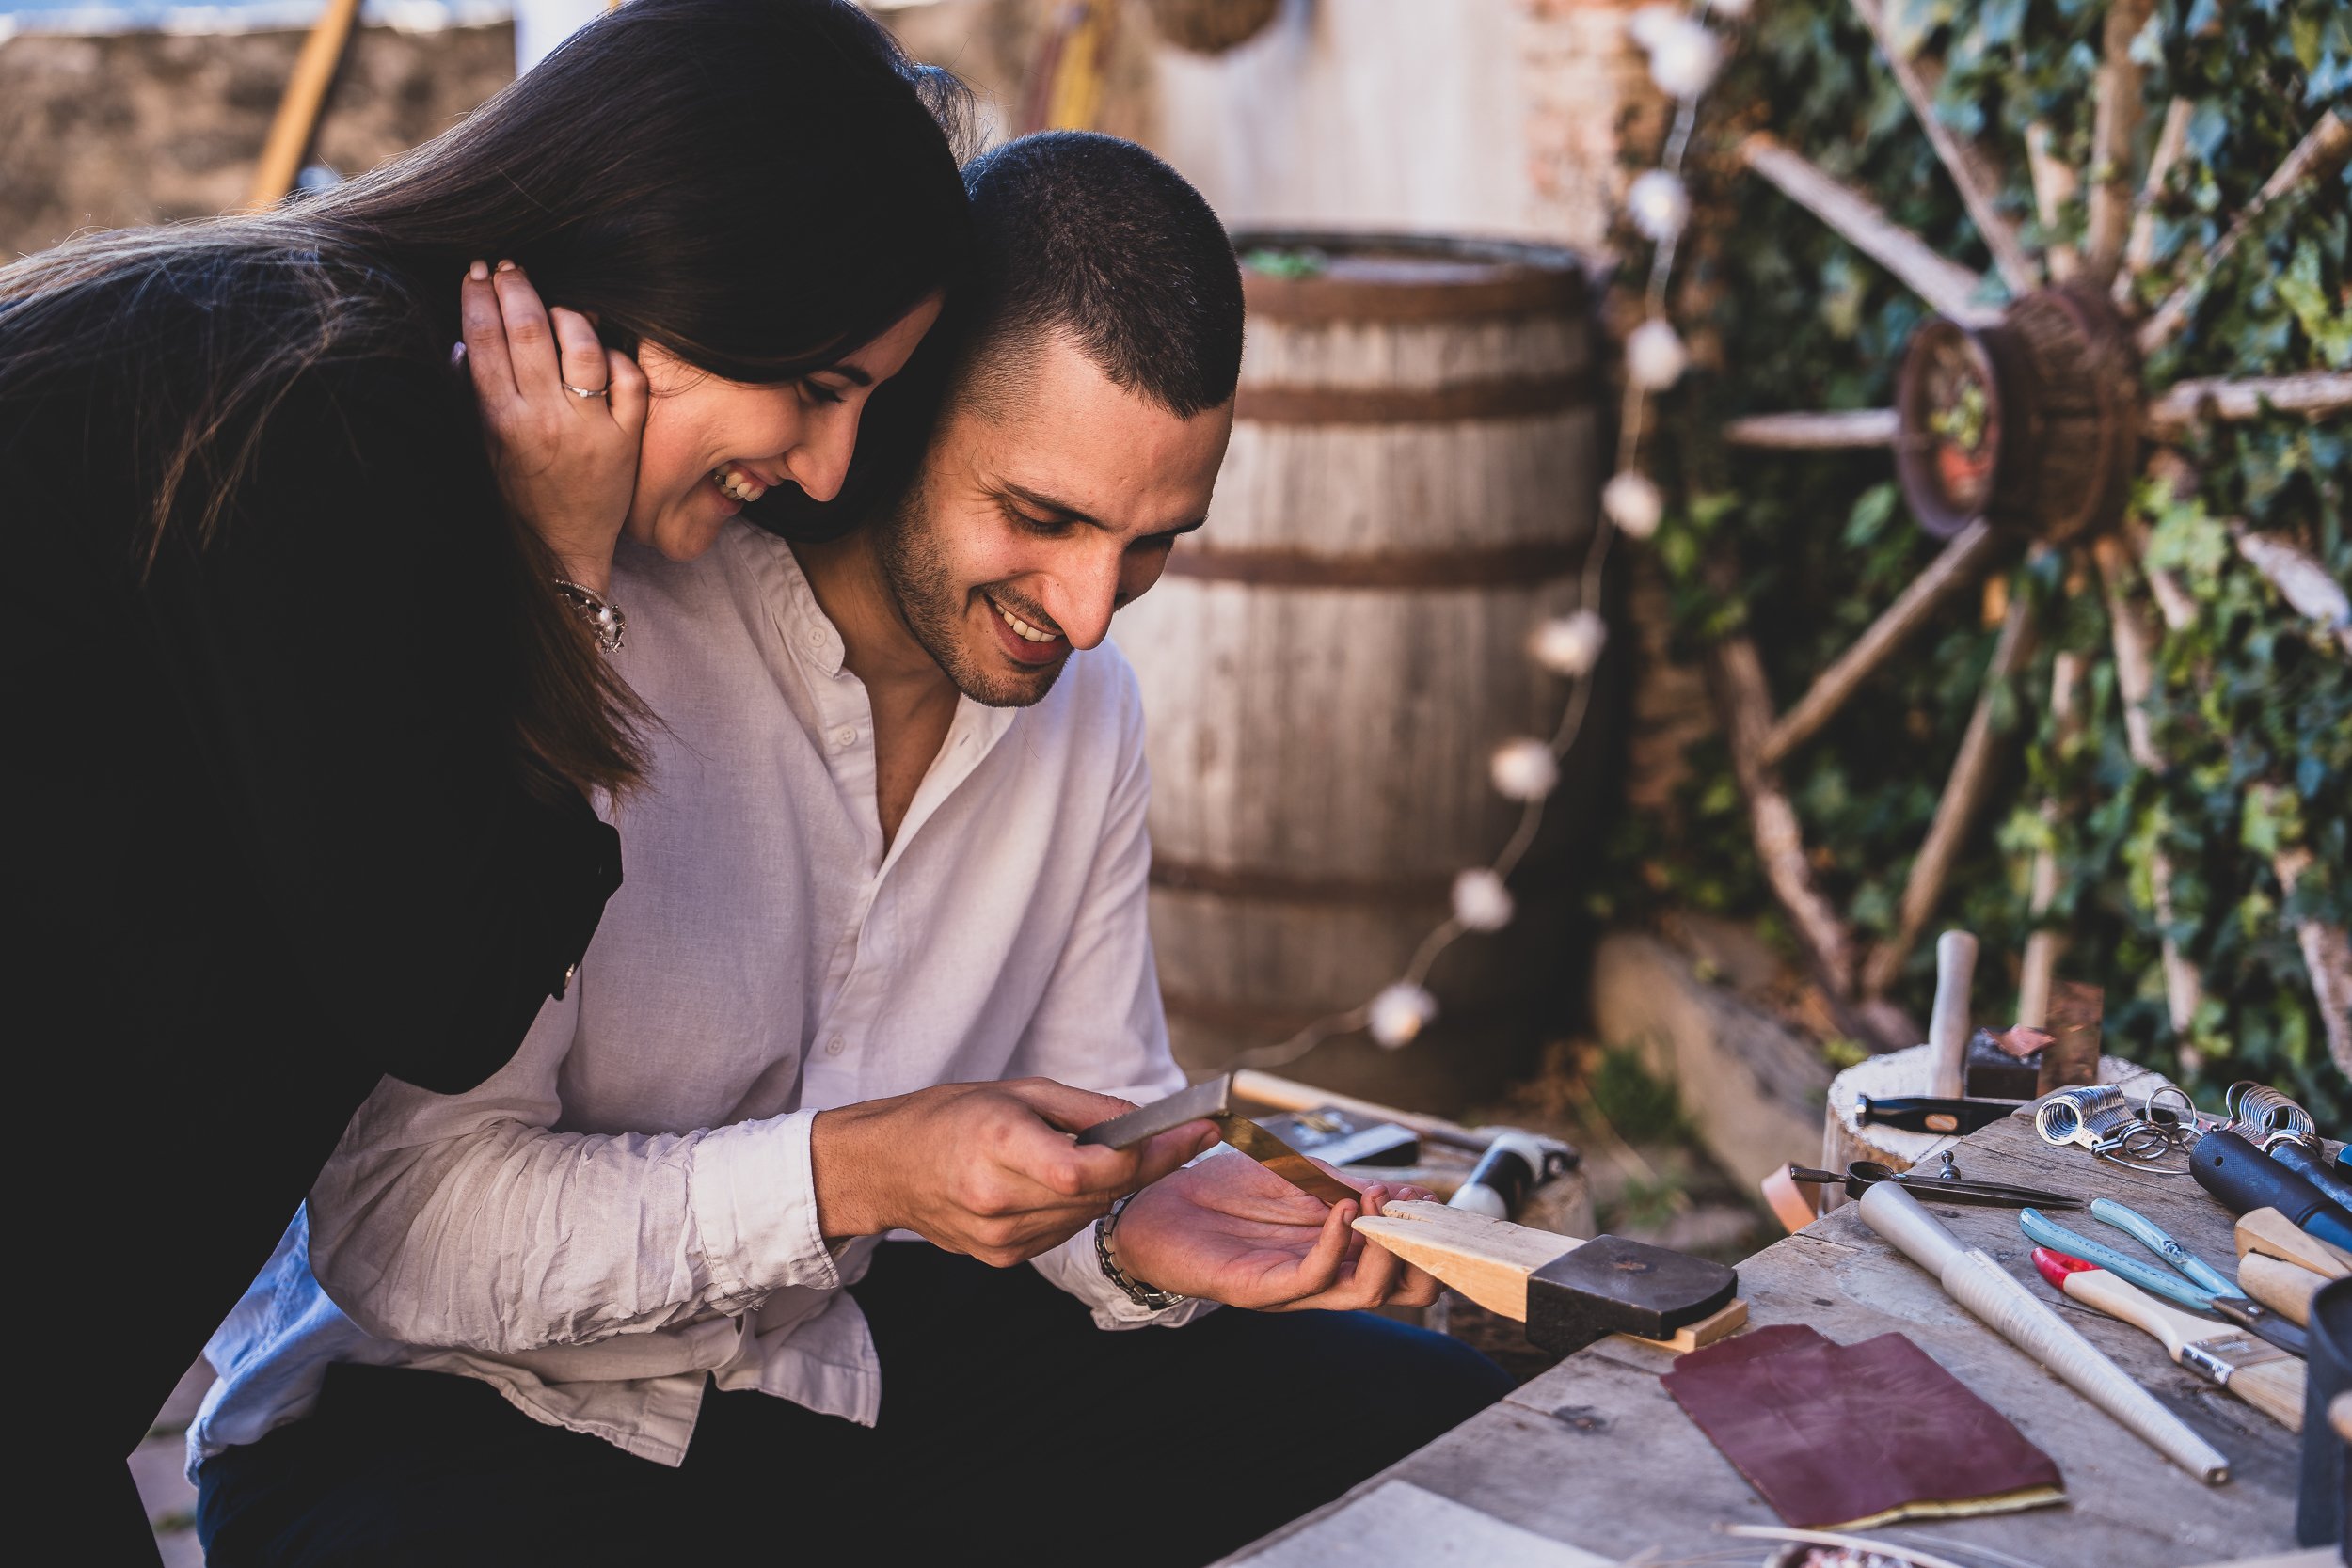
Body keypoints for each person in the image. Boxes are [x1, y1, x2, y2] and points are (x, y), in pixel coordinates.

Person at [188, 132, 1514, 1567]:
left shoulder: (1088, 713)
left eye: (1150, 544)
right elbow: (405, 1230)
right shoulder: (594, 620)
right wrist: (851, 1175)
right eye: (1041, 517)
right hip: (439, 1423)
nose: (1088, 613)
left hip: (835, 1368)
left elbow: (1097, 1119)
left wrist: (1137, 1229)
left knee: (1465, 1440)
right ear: (890, 413)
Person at [3, 0, 974, 1550]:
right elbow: (444, 987)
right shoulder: (335, 420)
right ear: (683, 275)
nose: (830, 467)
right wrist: (565, 573)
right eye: (823, 382)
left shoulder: (278, 338)